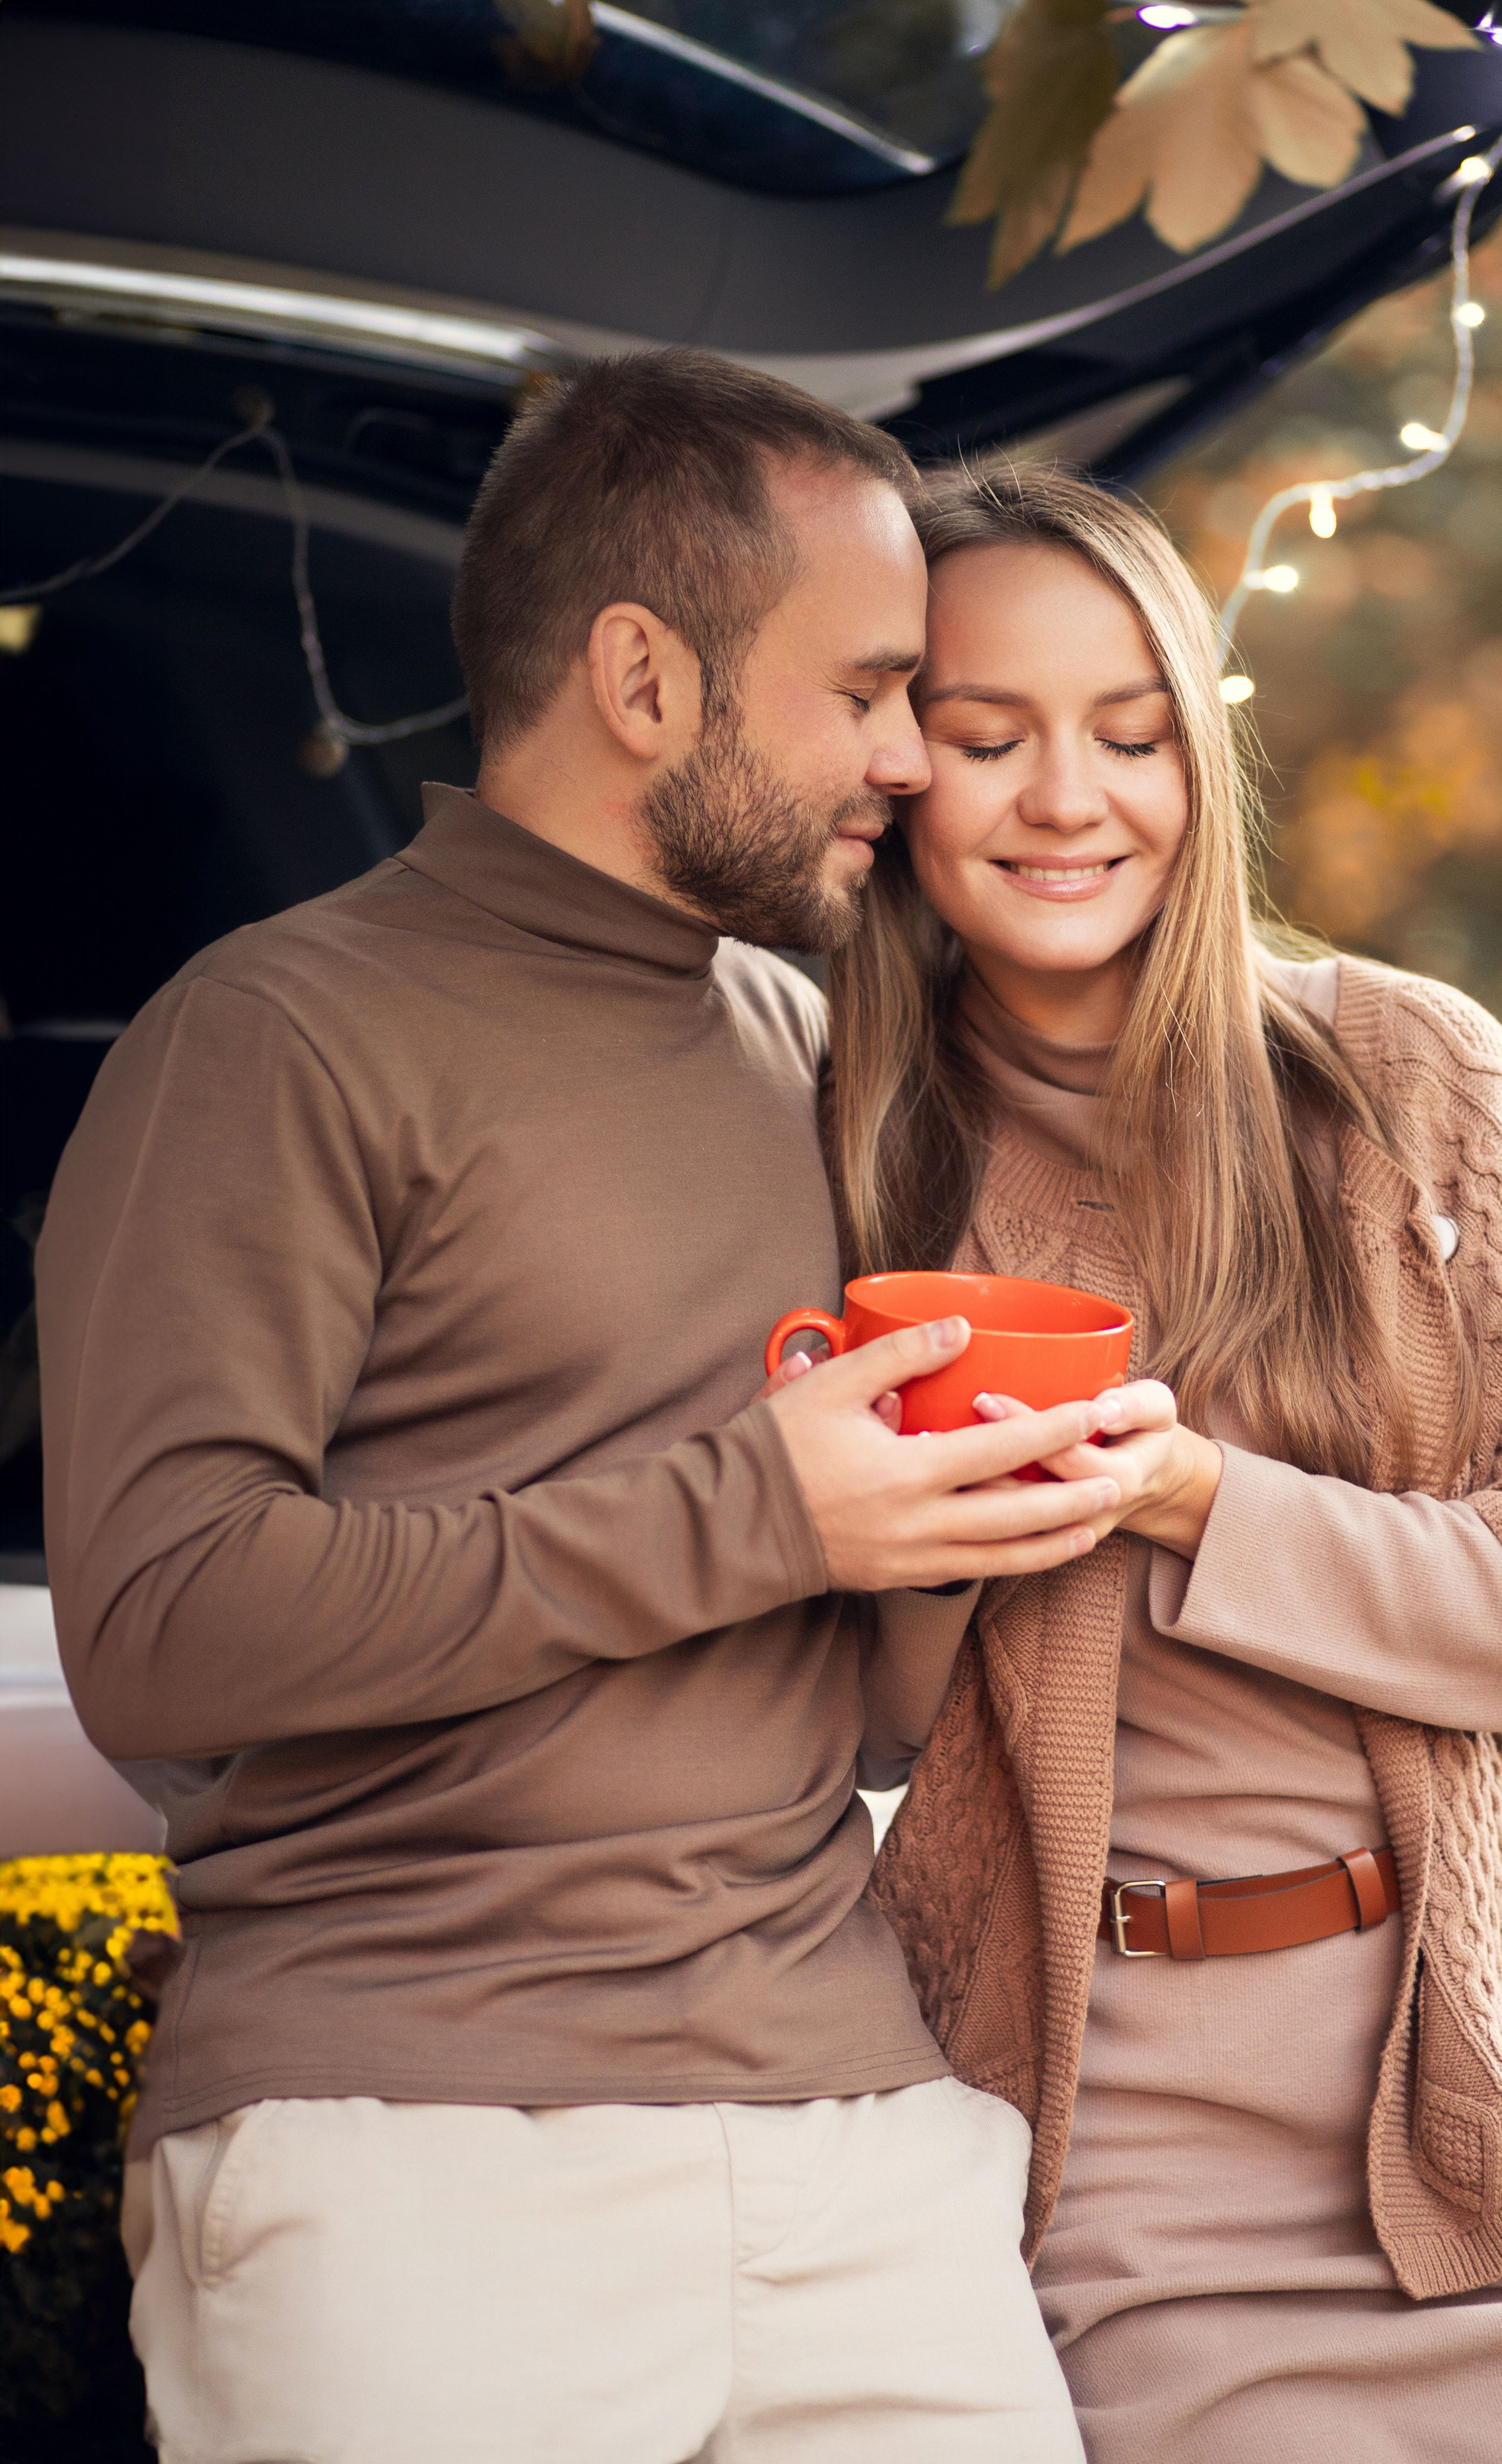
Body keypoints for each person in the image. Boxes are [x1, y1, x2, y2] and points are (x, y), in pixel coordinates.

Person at [34, 355, 1114, 2463]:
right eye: (865, 688)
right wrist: (760, 1510)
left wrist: (963, 1514)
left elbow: (860, 1715)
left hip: (859, 2144)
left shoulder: (803, 1031)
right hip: (416, 2158)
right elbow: (158, 1625)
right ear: (643, 676)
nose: (910, 756)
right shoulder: (274, 1038)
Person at [834, 463, 1502, 2463]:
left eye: (1130, 731)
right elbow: (838, 1713)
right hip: (1118, 2133)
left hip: (1484, 2081)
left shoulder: (1408, 1078)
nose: (1066, 799)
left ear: (1202, 741)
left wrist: (1195, 1497)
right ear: (895, 766)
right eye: (988, 738)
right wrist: (930, 1530)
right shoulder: (847, 1149)